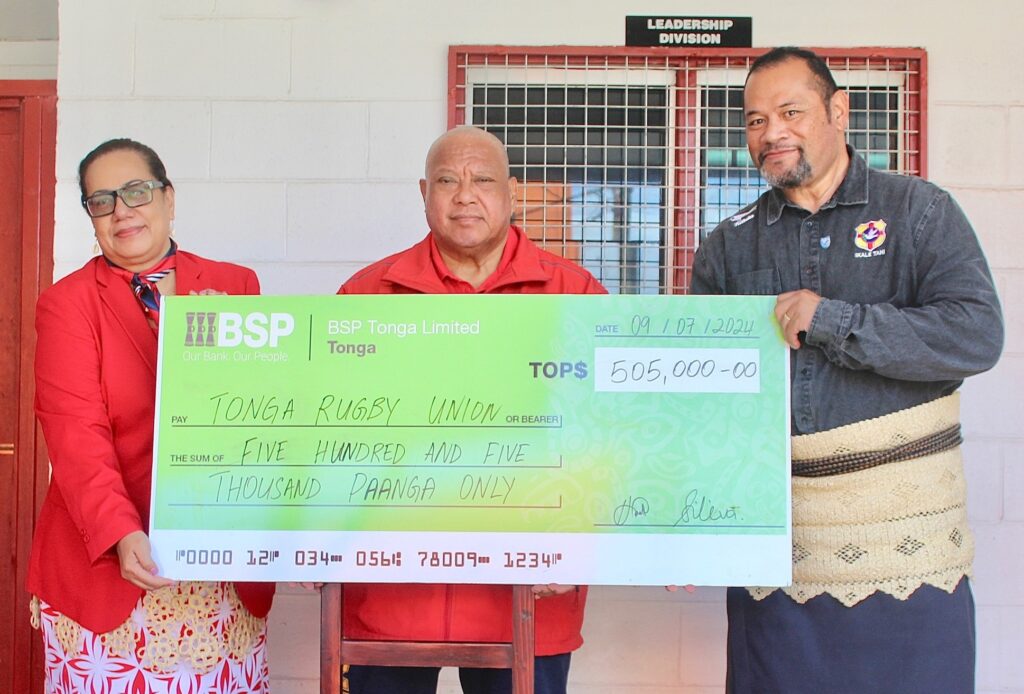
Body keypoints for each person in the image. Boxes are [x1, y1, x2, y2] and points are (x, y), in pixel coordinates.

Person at [690, 47, 1004, 694]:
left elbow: (975, 336)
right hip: (776, 562)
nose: (771, 132)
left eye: (790, 111)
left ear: (838, 111)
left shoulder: (918, 211)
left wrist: (832, 321)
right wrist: (683, 518)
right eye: (753, 120)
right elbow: (704, 404)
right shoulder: (729, 243)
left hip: (909, 555)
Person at [338, 125, 604, 694]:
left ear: (511, 192)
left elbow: (605, 437)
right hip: (393, 592)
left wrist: (580, 542)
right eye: (447, 181)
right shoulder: (365, 295)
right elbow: (327, 437)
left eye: (482, 180)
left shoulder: (574, 295)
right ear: (422, 193)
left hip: (529, 591)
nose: (465, 195)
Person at [29, 138, 275, 692]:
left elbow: (263, 417)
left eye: (136, 192)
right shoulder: (68, 304)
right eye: (102, 201)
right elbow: (75, 434)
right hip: (110, 564)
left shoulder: (236, 287)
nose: (122, 211)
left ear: (168, 198)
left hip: (218, 565)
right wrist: (120, 532)